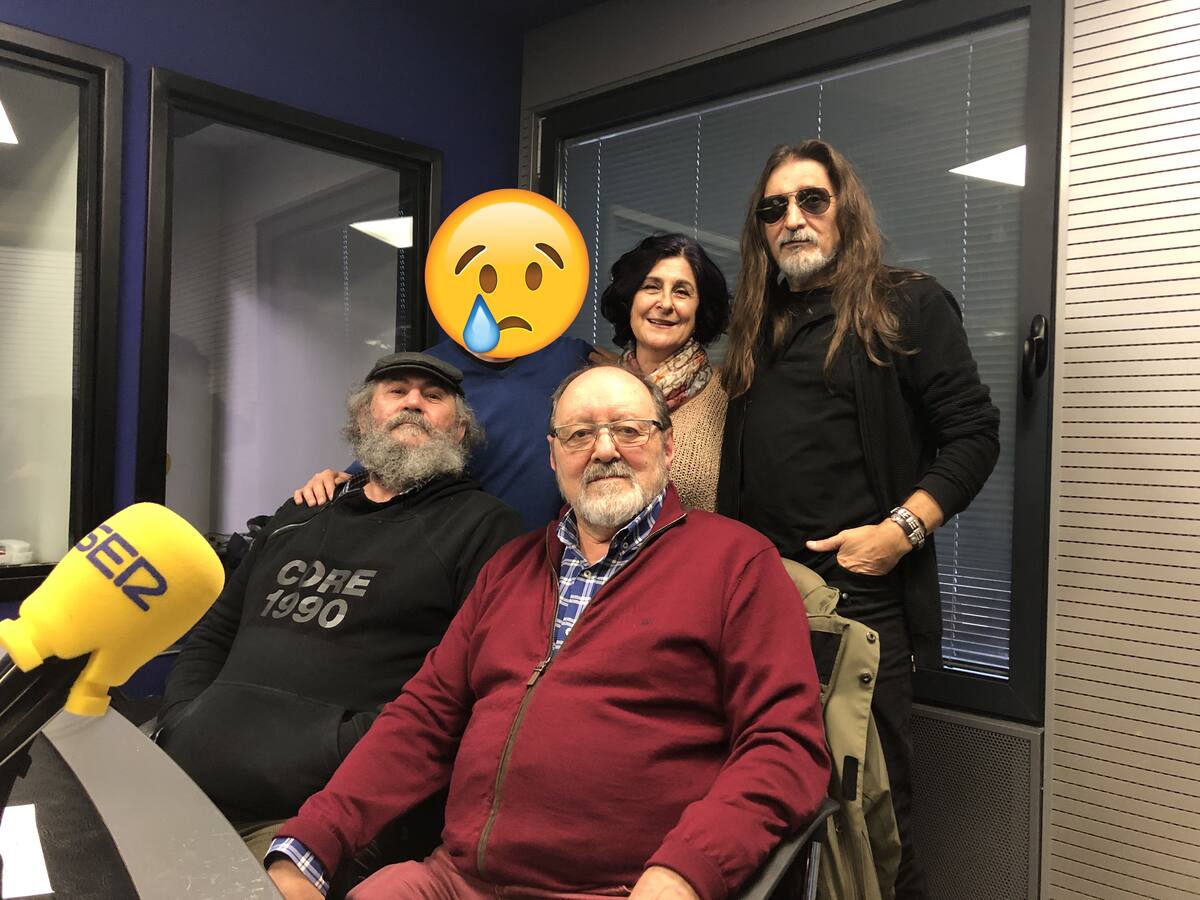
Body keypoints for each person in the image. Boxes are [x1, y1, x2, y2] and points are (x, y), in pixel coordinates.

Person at [267, 365, 830, 900]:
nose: (604, 450)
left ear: (668, 446)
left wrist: (686, 871)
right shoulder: (510, 568)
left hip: (620, 888)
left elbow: (784, 746)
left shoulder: (735, 562)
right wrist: (309, 845)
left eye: (628, 430)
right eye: (580, 433)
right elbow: (422, 719)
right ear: (554, 455)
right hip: (457, 879)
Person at [716, 140, 1000, 899]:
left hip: (859, 602)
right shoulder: (758, 327)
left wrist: (899, 532)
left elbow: (974, 436)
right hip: (760, 602)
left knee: (873, 821)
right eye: (774, 208)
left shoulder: (906, 304)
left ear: (846, 209)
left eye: (812, 199)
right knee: (767, 803)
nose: (793, 218)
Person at [157, 352, 524, 858]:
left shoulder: (484, 527)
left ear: (458, 431)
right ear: (363, 419)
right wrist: (182, 718)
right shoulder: (300, 511)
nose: (413, 402)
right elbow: (217, 631)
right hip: (179, 783)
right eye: (396, 391)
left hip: (310, 821)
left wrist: (331, 752)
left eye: (434, 396)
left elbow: (462, 689)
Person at [294, 335, 594, 530]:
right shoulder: (434, 367)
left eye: (432, 396)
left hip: (544, 547)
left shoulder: (569, 354)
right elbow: (390, 449)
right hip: (450, 536)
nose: (414, 400)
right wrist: (340, 482)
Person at [599, 233, 730, 511]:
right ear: (629, 300)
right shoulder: (597, 391)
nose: (666, 303)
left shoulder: (730, 395)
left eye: (682, 292)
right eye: (651, 287)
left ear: (700, 309)